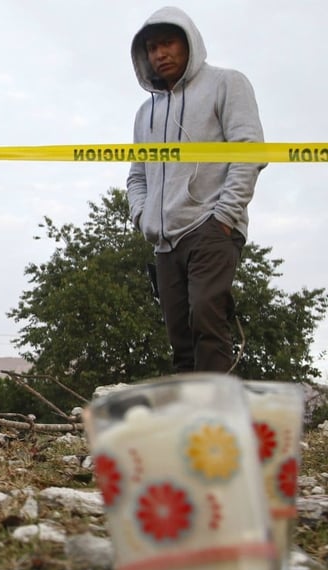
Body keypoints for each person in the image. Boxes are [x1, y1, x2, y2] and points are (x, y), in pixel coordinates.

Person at [127, 7, 265, 373]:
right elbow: (137, 175)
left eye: (168, 42)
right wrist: (142, 217)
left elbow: (250, 152)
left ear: (189, 42)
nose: (160, 53)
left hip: (211, 228)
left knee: (207, 321)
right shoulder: (145, 113)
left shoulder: (227, 83)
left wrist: (224, 217)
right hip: (164, 240)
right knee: (180, 338)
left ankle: (217, 419)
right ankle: (190, 422)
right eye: (152, 48)